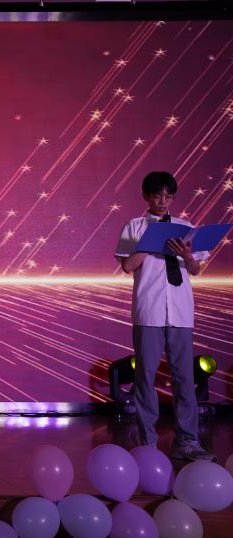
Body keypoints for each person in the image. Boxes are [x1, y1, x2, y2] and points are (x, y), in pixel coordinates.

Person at [115, 171, 213, 461]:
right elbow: (127, 266)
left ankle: (187, 440)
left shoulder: (185, 227)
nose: (163, 201)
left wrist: (186, 255)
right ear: (146, 196)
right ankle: (148, 442)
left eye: (168, 196)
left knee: (184, 377)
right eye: (157, 195)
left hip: (181, 310)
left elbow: (195, 270)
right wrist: (150, 243)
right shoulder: (134, 226)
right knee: (145, 376)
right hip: (149, 310)